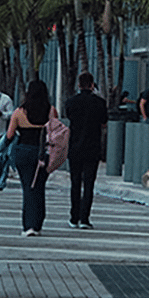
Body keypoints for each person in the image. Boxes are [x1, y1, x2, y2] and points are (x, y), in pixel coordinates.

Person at [5, 77, 58, 236]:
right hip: (43, 152)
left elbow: (9, 134)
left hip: (24, 151)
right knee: (40, 187)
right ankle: (38, 222)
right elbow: (55, 133)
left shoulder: (19, 112)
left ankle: (28, 225)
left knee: (27, 187)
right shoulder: (51, 110)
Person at [65, 72, 108, 229]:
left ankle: (73, 216)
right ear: (92, 85)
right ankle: (85, 218)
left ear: (78, 85)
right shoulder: (100, 103)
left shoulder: (71, 102)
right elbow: (104, 122)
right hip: (92, 146)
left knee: (75, 182)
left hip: (75, 146)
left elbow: (69, 117)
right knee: (89, 183)